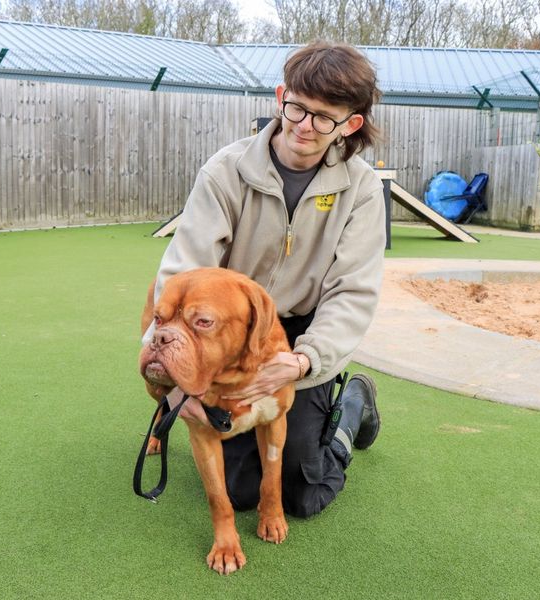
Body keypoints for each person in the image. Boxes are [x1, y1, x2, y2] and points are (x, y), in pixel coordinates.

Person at [147, 41, 386, 518]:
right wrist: (175, 384)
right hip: (229, 330)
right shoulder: (225, 171)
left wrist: (304, 361)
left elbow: (352, 292)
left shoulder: (362, 189)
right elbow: (181, 272)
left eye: (325, 117)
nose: (305, 125)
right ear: (281, 97)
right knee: (241, 492)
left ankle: (352, 405)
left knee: (303, 493)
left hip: (301, 336)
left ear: (350, 124)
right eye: (297, 107)